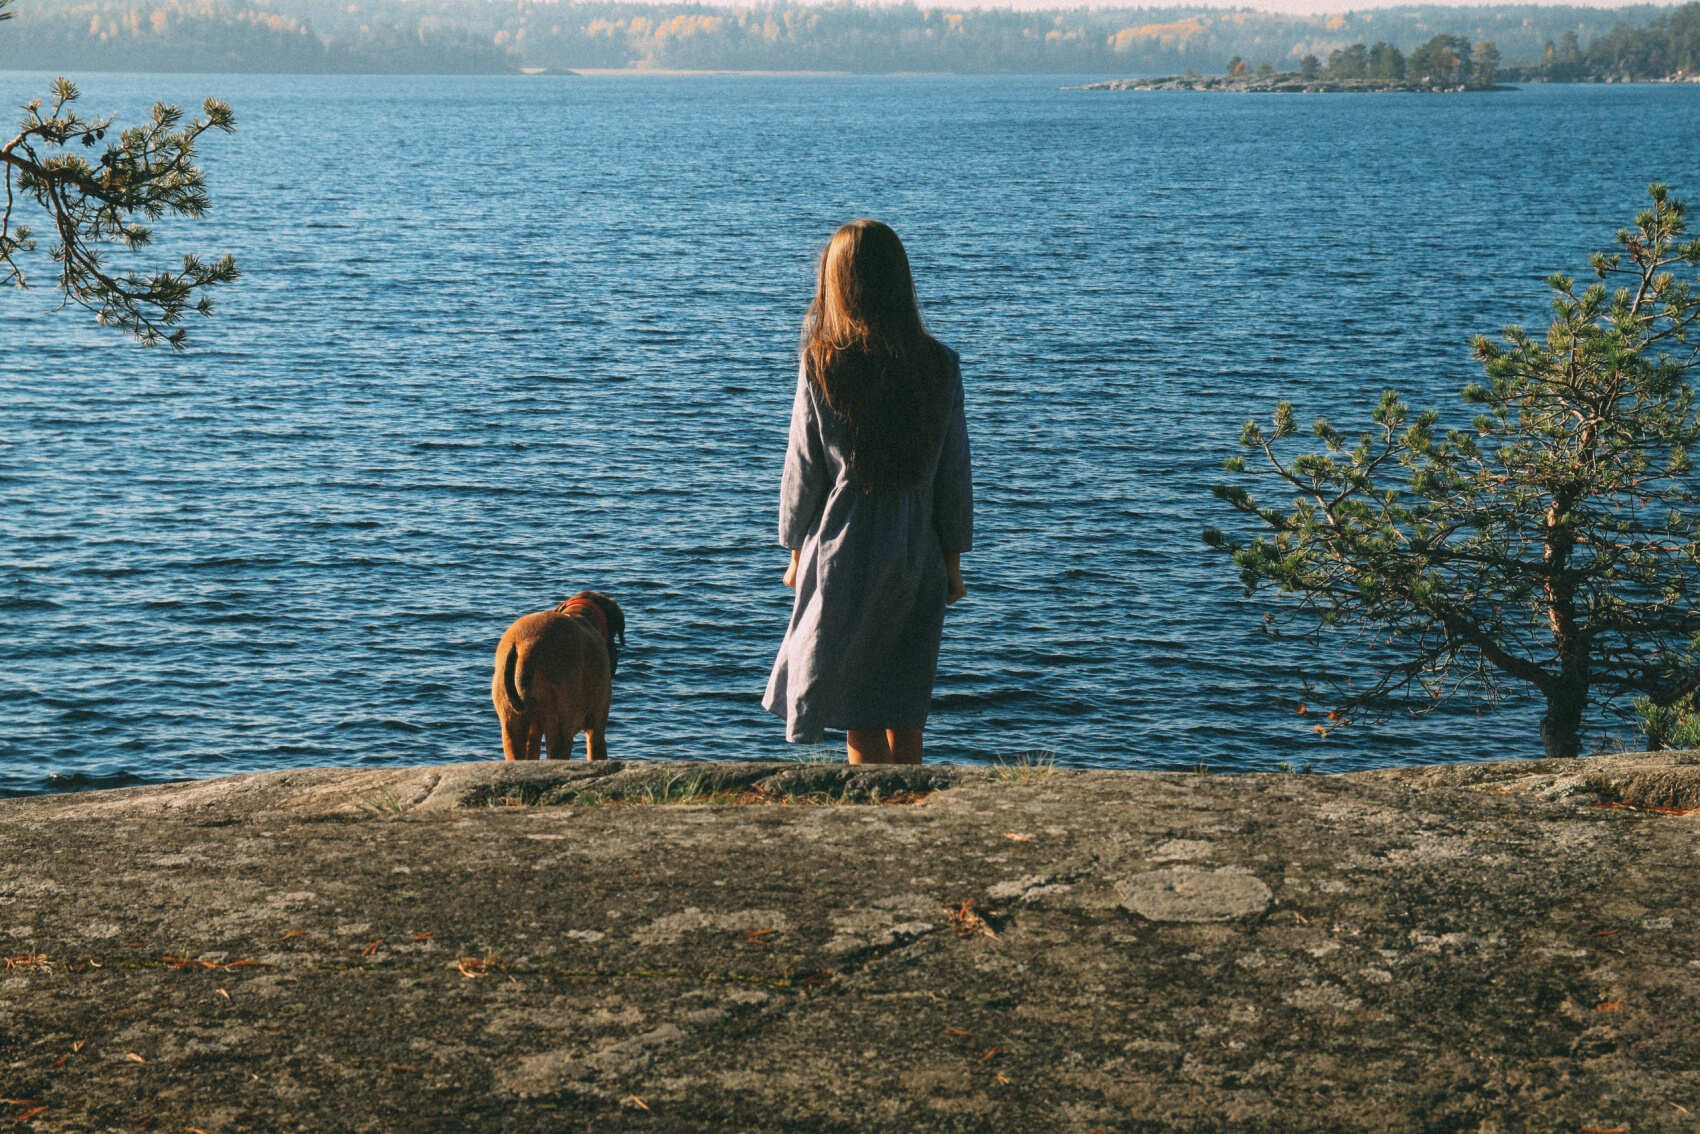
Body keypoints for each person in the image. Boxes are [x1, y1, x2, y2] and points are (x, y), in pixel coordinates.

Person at [762, 219, 973, 765]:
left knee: (861, 715)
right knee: (905, 707)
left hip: (844, 551)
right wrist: (951, 562)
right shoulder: (939, 365)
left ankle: (874, 824)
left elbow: (803, 471)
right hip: (915, 553)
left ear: (837, 284)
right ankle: (910, 827)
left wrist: (794, 552)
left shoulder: (824, 365)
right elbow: (954, 475)